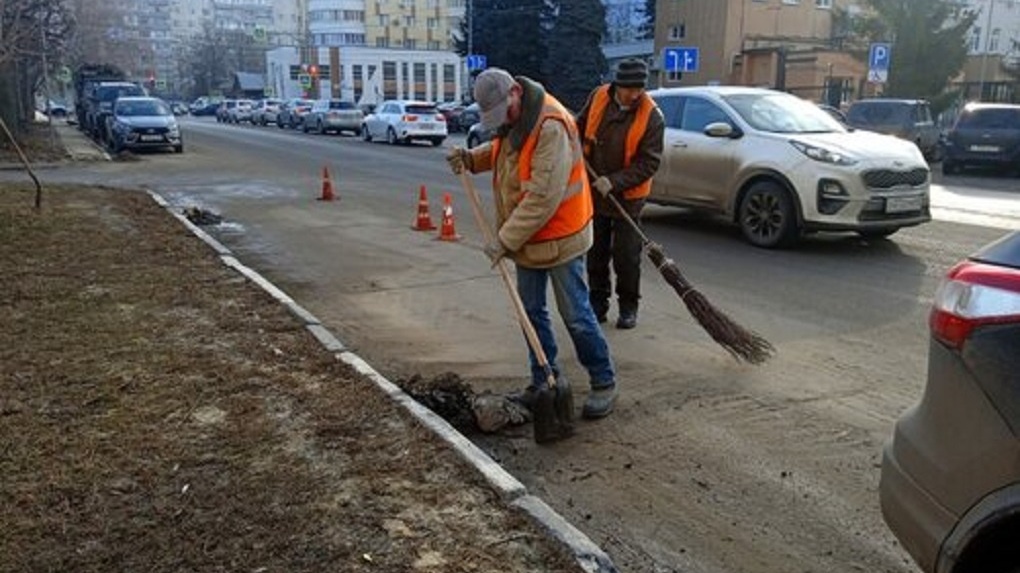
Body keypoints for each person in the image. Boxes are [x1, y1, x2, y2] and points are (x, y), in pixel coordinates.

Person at [445, 68, 619, 419]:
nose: (500, 121)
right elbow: (502, 152)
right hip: (527, 241)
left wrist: (503, 241)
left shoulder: (550, 126)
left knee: (577, 316)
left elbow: (541, 199)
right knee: (531, 315)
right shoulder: (515, 120)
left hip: (561, 238)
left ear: (515, 93)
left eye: (502, 112)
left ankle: (603, 381)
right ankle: (543, 380)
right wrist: (471, 159)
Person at [575, 59, 665, 330]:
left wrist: (614, 181)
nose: (635, 95)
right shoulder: (598, 96)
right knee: (596, 251)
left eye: (639, 89)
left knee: (626, 256)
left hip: (629, 196)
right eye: (630, 89)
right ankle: (597, 304)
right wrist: (576, 147)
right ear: (618, 86)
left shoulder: (652, 116)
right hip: (594, 189)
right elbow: (579, 128)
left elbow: (649, 163)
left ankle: (628, 307)